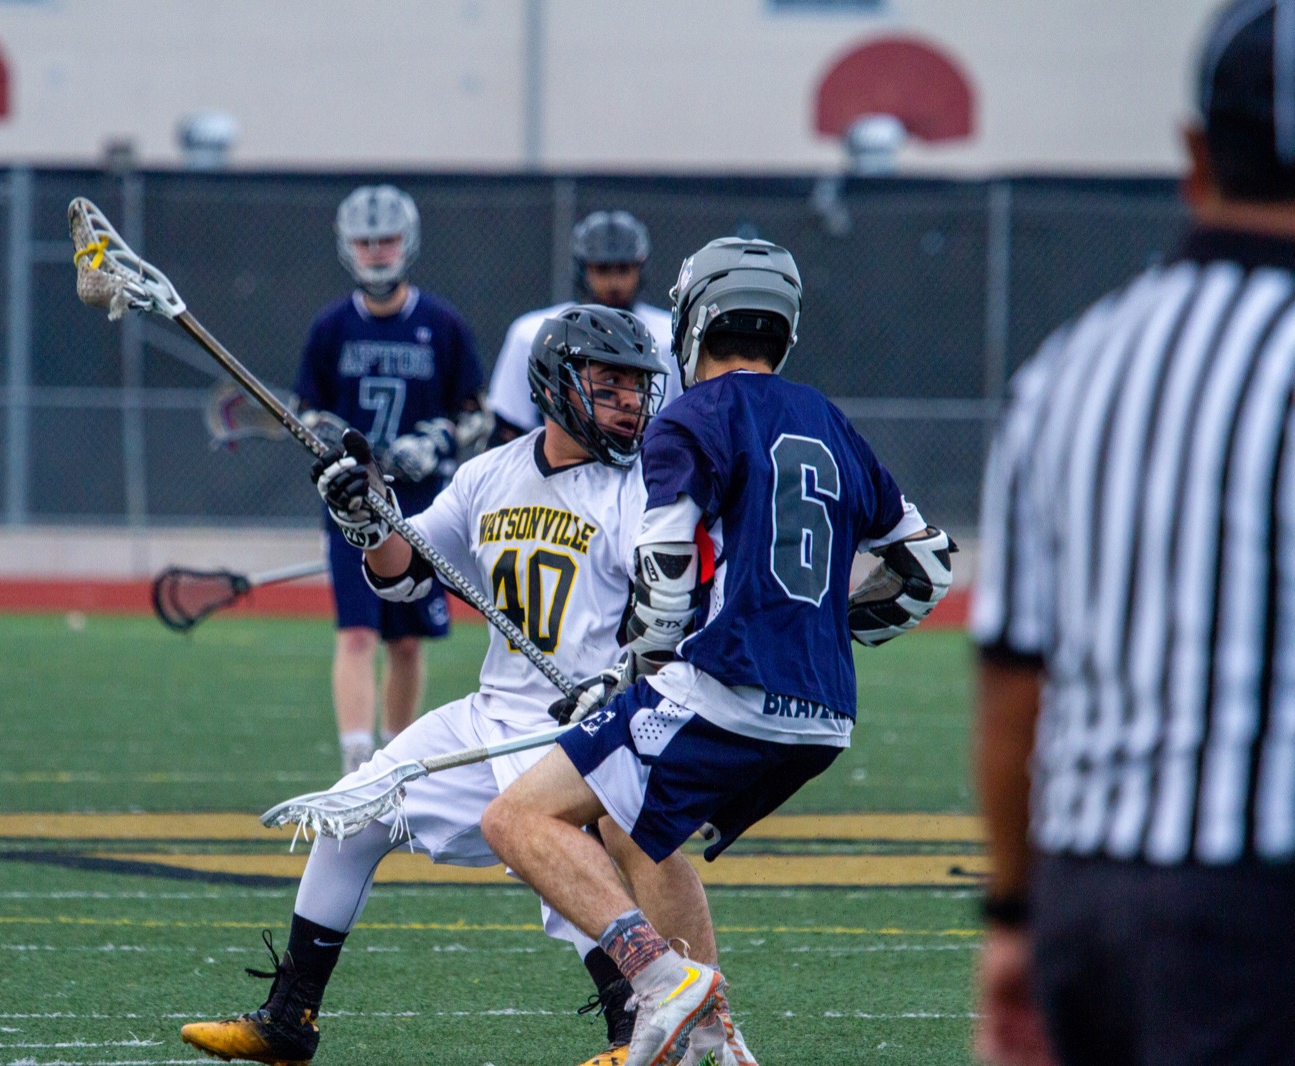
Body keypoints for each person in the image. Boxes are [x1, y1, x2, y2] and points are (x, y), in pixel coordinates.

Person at [481, 237, 956, 1066]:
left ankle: (660, 979)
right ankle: (715, 1040)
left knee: (517, 818)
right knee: (639, 831)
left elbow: (665, 576)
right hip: (824, 714)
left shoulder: (691, 417)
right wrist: (819, 625)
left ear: (696, 316)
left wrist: (634, 673)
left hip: (727, 687)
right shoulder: (827, 419)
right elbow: (929, 567)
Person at [182, 305, 689, 1066]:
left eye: (635, 387)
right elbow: (403, 572)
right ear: (557, 384)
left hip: (578, 723)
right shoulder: (490, 474)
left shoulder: (643, 491)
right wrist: (364, 513)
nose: (629, 401)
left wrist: (616, 685)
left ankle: (633, 1034)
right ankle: (291, 1020)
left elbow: (672, 627)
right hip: (497, 711)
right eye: (609, 384)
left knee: (553, 860)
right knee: (353, 814)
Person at [971, 3, 1295, 1063]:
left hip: (1090, 900)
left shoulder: (1074, 364)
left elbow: (1013, 679)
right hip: (1264, 898)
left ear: (1195, 153)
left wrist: (1014, 919)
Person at [293, 184, 487, 774]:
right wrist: (337, 445)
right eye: (365, 241)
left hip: (424, 504)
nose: (377, 252)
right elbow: (307, 415)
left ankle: (395, 756)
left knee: (406, 641)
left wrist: (434, 443)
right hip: (353, 507)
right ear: (348, 247)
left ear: (408, 242)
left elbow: (475, 413)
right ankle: (357, 760)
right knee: (356, 633)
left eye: (387, 240)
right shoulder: (331, 328)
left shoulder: (442, 324)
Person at [485, 210, 681, 446]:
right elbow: (510, 428)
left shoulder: (670, 334)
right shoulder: (532, 332)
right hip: (559, 468)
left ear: (640, 268)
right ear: (582, 269)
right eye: (602, 269)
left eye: (623, 269)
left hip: (644, 466)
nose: (614, 282)